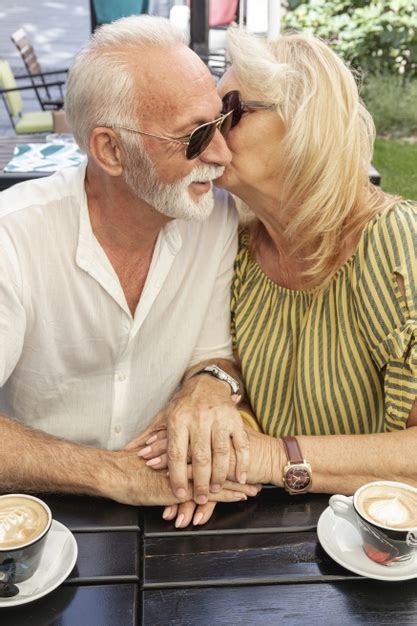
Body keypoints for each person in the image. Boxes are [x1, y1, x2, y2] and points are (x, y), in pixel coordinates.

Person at [142, 27, 417, 525]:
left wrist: (273, 457)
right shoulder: (239, 237)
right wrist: (219, 428)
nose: (208, 136)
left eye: (231, 111)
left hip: (366, 542)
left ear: (303, 120)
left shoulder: (394, 245)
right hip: (250, 526)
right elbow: (242, 371)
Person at [0, 16, 261, 512]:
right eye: (195, 135)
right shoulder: (13, 236)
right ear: (111, 150)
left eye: (222, 119)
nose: (222, 153)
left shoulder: (213, 215)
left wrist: (207, 385)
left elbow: (212, 351)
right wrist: (111, 473)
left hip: (177, 499)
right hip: (38, 512)